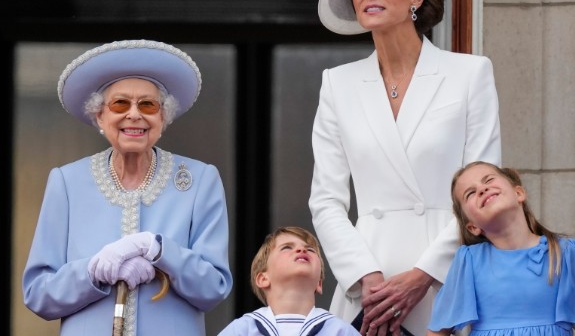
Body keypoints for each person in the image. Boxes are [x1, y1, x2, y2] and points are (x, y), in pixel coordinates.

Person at [309, 0, 502, 336]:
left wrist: (424, 275)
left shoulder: (470, 74)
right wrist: (367, 279)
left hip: (448, 277)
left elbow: (485, 190)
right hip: (368, 289)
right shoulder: (337, 84)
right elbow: (325, 201)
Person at [23, 39, 233, 335]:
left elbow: (214, 287)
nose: (134, 114)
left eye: (148, 104)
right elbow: (38, 294)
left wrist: (159, 250)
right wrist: (93, 271)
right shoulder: (67, 182)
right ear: (100, 116)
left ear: (163, 117)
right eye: (120, 103)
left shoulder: (200, 180)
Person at [426, 161, 575, 336]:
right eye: (471, 193)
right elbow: (437, 332)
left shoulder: (564, 252)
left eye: (488, 180)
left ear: (518, 193)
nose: (482, 189)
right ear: (472, 227)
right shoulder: (468, 260)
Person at [219, 227, 359, 336]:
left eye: (310, 249)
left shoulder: (340, 331)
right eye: (287, 247)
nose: (302, 249)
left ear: (319, 283)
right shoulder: (243, 329)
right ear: (263, 278)